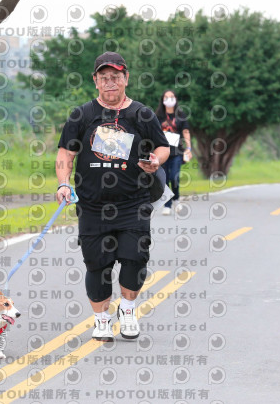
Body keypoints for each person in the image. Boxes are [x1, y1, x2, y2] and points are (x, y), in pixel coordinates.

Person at [55, 52, 170, 342]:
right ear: (95, 81)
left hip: (134, 203)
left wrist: (155, 161)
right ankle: (102, 319)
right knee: (97, 265)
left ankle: (128, 309)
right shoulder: (82, 115)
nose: (110, 82)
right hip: (92, 206)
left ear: (126, 79)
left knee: (135, 259)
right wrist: (63, 184)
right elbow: (66, 153)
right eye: (104, 77)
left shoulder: (142, 114)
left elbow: (162, 146)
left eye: (116, 77)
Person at [155, 90, 192, 215]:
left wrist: (189, 148)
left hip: (177, 152)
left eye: (171, 97)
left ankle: (176, 199)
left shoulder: (181, 115)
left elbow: (186, 132)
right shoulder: (158, 116)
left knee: (174, 177)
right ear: (162, 100)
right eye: (166, 97)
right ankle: (167, 205)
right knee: (164, 179)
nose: (169, 99)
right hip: (162, 151)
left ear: (175, 99)